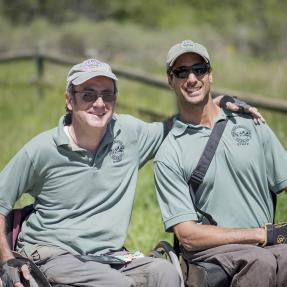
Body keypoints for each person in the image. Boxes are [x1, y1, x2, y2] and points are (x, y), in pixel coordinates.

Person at [0, 58, 261, 287]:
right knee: (113, 283)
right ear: (70, 100)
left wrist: (216, 103)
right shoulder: (42, 149)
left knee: (165, 274)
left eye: (107, 94)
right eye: (88, 94)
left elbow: (175, 126)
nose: (99, 103)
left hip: (109, 256)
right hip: (53, 254)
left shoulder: (129, 133)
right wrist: (7, 262)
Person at [154, 39, 287, 287]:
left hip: (265, 243)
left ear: (210, 75)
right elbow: (188, 236)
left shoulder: (250, 123)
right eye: (181, 72)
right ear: (170, 81)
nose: (192, 78)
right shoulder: (170, 150)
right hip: (213, 250)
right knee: (260, 262)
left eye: (199, 69)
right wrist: (261, 235)